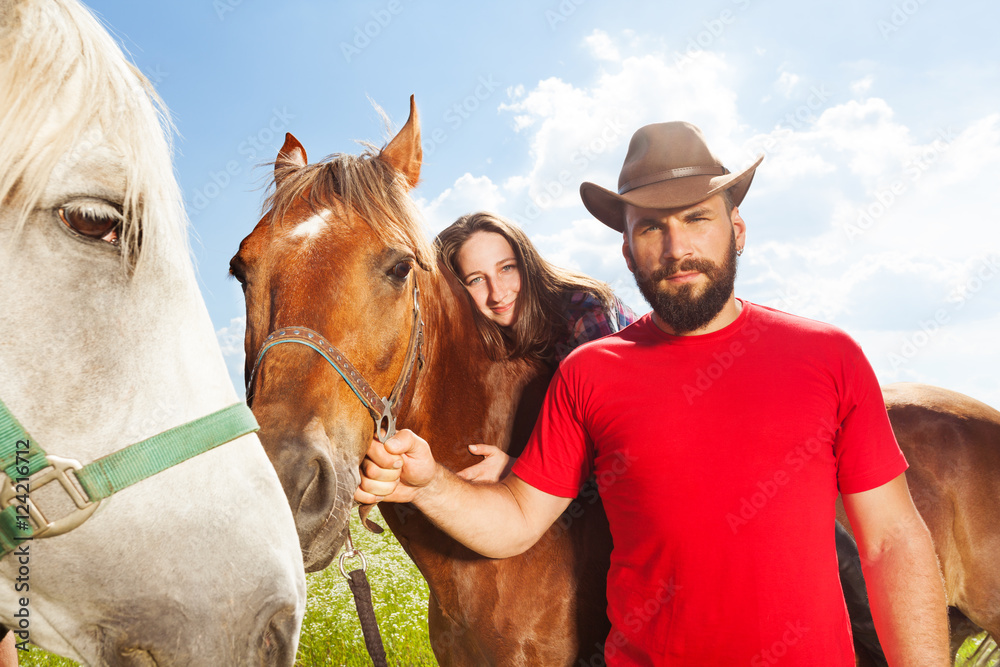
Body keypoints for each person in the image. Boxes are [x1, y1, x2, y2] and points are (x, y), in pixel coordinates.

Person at [357, 122, 948, 665]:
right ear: (626, 246)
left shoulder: (828, 355)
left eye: (696, 219)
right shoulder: (585, 374)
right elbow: (517, 519)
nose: (675, 248)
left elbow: (893, 539)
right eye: (651, 227)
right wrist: (430, 481)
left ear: (736, 230)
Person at [435, 211, 635, 481]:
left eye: (507, 268)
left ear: (526, 264)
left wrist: (517, 468)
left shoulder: (584, 310)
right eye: (476, 280)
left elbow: (616, 437)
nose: (498, 292)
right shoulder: (485, 334)